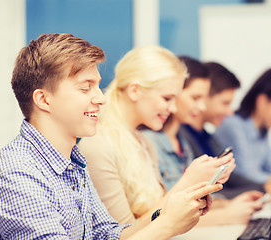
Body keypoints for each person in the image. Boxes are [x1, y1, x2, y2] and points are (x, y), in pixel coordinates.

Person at [0, 33, 224, 239]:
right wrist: (167, 225)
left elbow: (108, 234)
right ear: (44, 100)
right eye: (85, 87)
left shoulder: (73, 163)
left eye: (97, 86)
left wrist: (169, 212)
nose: (101, 98)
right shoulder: (15, 172)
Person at [77, 45, 235, 226]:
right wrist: (188, 181)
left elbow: (158, 214)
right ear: (134, 91)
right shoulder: (98, 147)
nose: (174, 108)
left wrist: (201, 184)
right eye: (167, 99)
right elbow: (122, 235)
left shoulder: (144, 143)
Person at [142, 56, 264, 225]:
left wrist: (225, 204)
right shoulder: (149, 143)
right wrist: (226, 214)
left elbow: (192, 201)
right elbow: (159, 214)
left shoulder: (183, 144)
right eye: (195, 98)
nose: (202, 107)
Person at [178, 61, 268, 197]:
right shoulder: (181, 137)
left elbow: (231, 179)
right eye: (225, 103)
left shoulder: (208, 138)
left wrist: (263, 187)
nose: (230, 112)